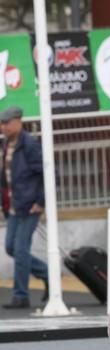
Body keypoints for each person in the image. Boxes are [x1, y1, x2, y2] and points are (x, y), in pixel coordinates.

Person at [0, 106, 48, 309]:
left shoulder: (29, 144)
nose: (3, 127)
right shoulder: (6, 144)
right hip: (13, 205)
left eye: (6, 123)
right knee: (11, 247)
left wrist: (40, 201)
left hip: (29, 206)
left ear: (18, 122)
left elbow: (46, 173)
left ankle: (21, 296)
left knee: (20, 250)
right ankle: (48, 274)